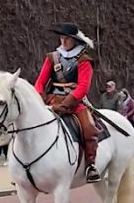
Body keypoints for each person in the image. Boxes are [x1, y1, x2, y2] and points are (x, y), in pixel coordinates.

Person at [34, 23, 101, 183]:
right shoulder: (53, 57)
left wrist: (66, 105)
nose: (63, 41)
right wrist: (38, 99)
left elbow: (83, 87)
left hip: (74, 102)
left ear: (75, 40)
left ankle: (91, 165)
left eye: (67, 38)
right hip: (51, 100)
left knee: (89, 129)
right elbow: (40, 82)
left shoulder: (84, 60)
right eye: (62, 37)